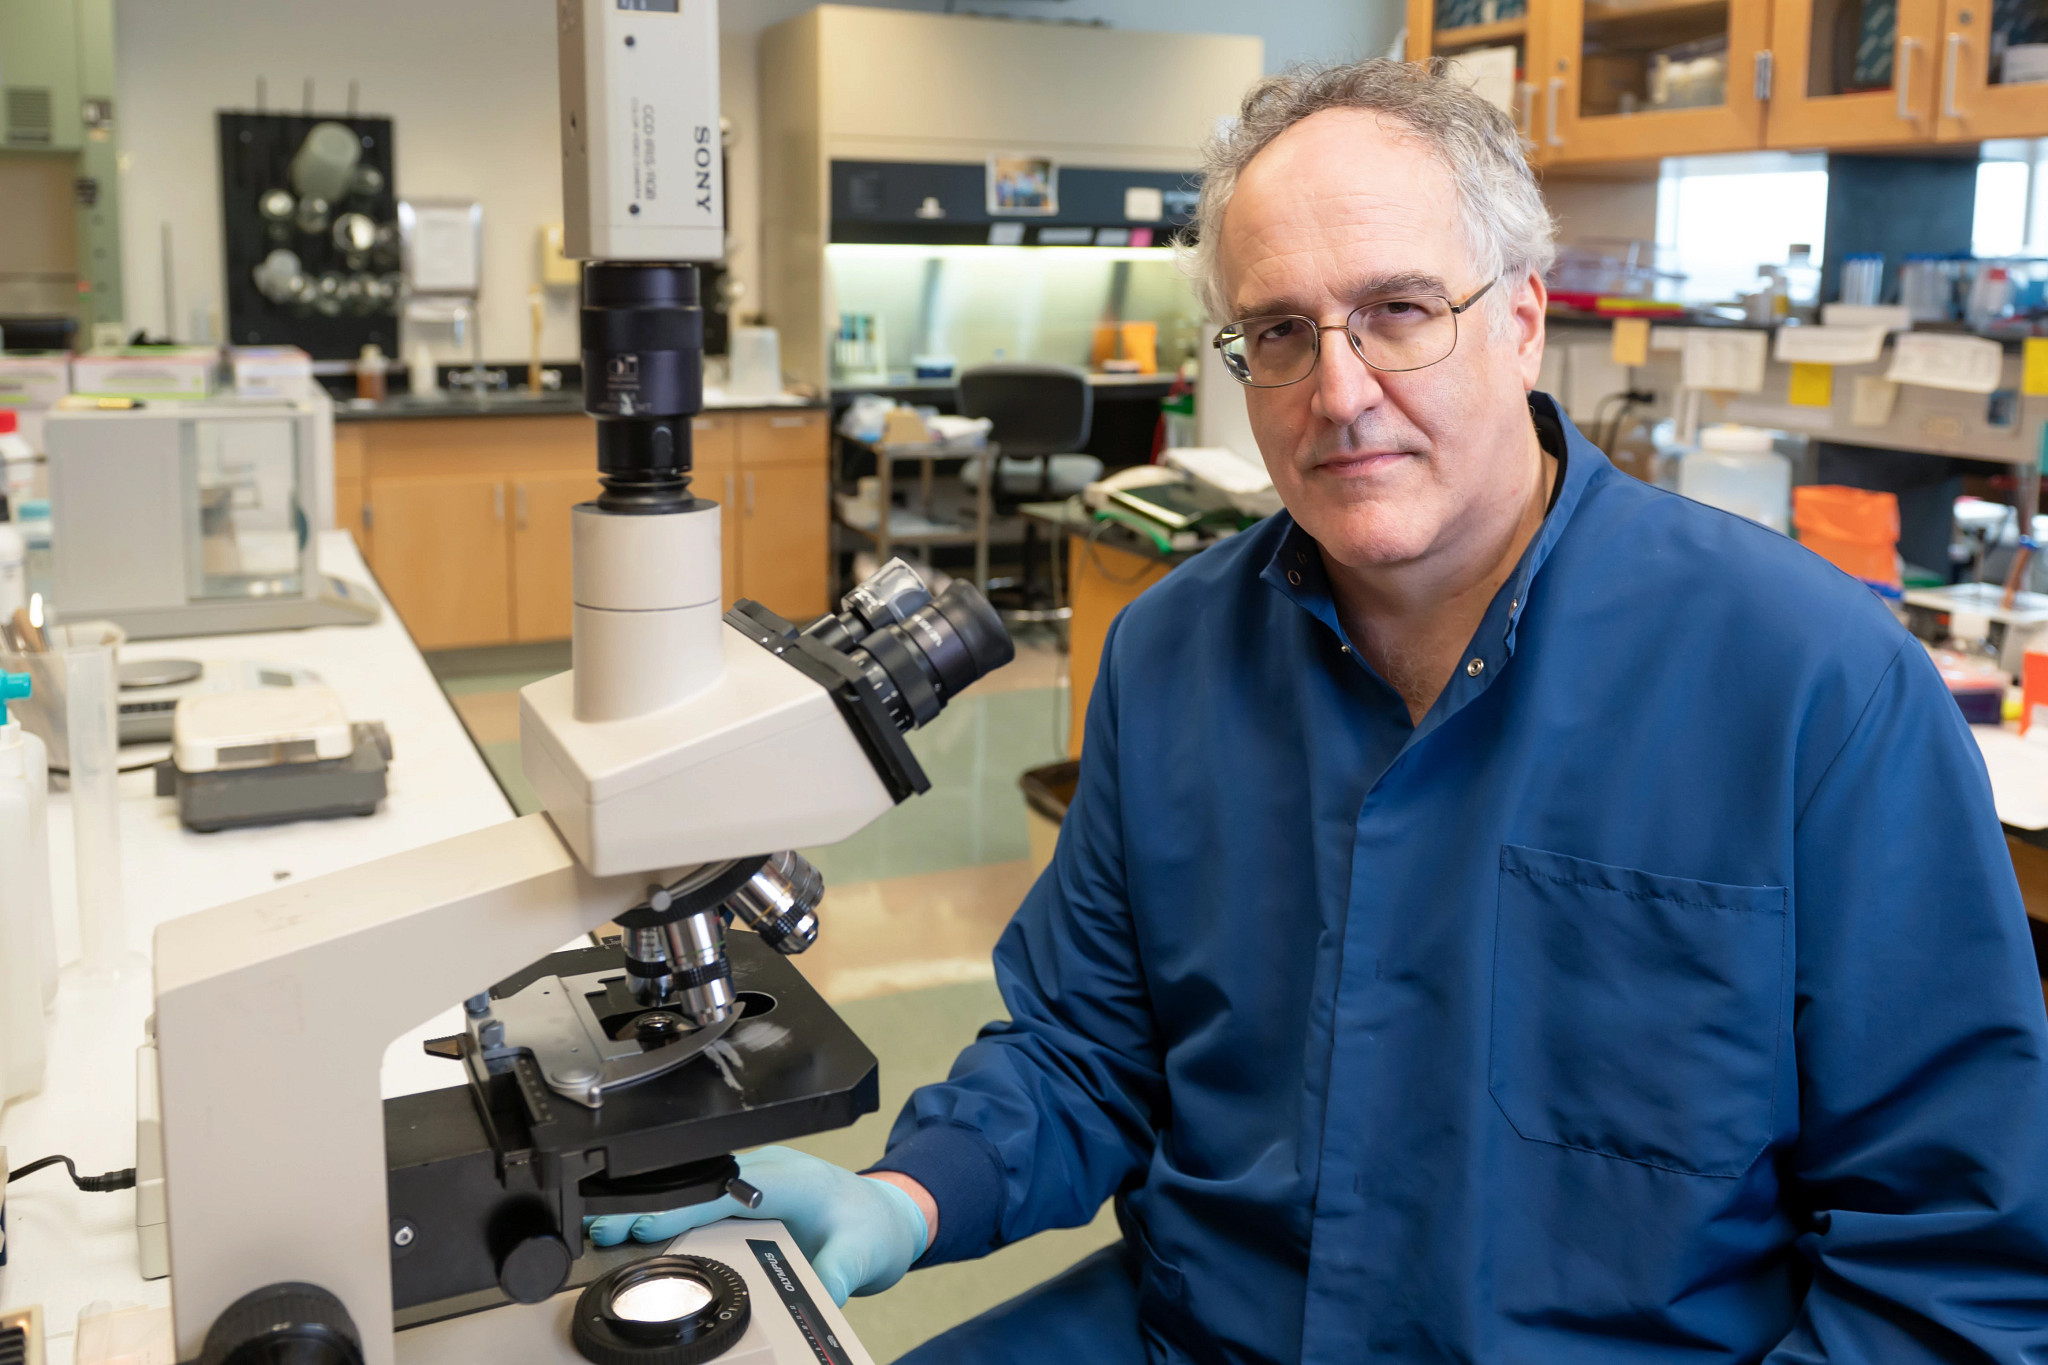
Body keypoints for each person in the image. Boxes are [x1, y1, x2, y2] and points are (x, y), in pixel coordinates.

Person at [591, 60, 2048, 1362]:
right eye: (1279, 333)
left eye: (1399, 312)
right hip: (1198, 1324)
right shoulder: (1173, 655)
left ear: (1523, 319)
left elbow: (1947, 1268)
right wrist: (910, 1193)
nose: (1337, 392)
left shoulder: (1807, 685)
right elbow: (1092, 1046)